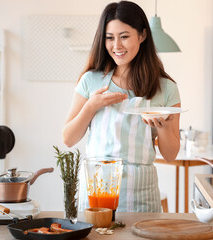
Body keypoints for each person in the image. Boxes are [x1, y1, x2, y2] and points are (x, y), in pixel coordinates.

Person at [62, 1, 181, 212]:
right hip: (98, 190)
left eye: (124, 36)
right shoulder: (91, 81)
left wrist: (161, 126)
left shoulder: (166, 88)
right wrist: (91, 106)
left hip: (141, 192)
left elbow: (171, 154)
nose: (116, 46)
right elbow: (68, 138)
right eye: (110, 38)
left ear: (142, 35)